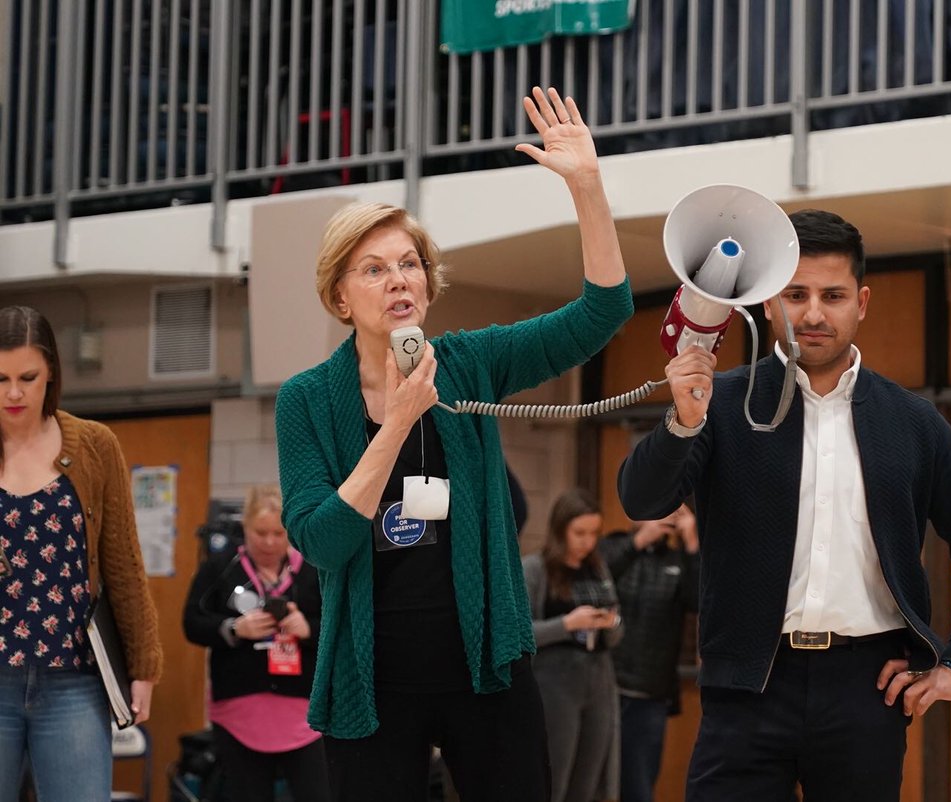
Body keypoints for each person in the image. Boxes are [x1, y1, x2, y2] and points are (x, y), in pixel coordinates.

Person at [274, 86, 633, 802]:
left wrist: (588, 189)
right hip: (370, 674)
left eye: (409, 263)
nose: (398, 279)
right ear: (341, 298)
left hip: (484, 662)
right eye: (374, 268)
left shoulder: (471, 363)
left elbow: (603, 311)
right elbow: (322, 541)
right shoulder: (307, 399)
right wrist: (400, 421)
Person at [617, 209, 951, 802]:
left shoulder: (913, 422)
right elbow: (641, 500)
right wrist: (684, 418)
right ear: (770, 302)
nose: (812, 313)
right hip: (744, 690)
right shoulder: (722, 402)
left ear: (862, 301)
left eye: (832, 295)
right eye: (796, 294)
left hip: (869, 688)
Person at [0, 305, 162, 802]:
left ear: (52, 373)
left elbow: (125, 567)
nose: (13, 393)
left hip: (73, 680)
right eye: (0, 378)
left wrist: (144, 668)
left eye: (28, 377)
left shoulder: (94, 446)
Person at [183, 484, 328, 802]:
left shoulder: (313, 571)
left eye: (278, 533)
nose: (269, 542)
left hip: (304, 713)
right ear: (245, 527)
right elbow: (192, 624)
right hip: (239, 711)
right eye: (260, 532)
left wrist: (308, 628)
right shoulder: (220, 568)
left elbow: (338, 628)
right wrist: (234, 628)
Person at [522, 488, 623, 802]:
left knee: (590, 782)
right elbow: (523, 634)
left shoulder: (598, 568)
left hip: (599, 678)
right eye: (579, 532)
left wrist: (611, 624)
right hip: (554, 682)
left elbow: (618, 631)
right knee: (554, 778)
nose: (587, 541)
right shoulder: (536, 568)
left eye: (594, 533)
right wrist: (568, 624)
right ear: (560, 528)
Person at [598, 503, 699, 802]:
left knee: (639, 788)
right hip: (604, 687)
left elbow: (698, 601)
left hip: (650, 694)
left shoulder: (679, 560)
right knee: (591, 783)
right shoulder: (612, 545)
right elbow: (592, 580)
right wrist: (637, 542)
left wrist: (692, 542)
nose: (664, 515)